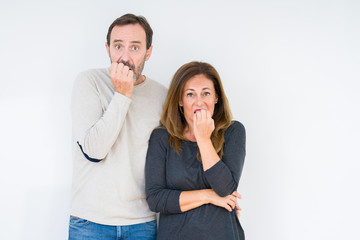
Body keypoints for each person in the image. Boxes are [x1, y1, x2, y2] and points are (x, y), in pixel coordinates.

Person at [69, 14, 167, 239]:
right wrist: (122, 94)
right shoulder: (89, 82)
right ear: (108, 49)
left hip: (141, 223)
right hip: (89, 222)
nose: (125, 56)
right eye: (118, 46)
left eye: (134, 47)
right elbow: (94, 152)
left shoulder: (161, 95)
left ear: (148, 52)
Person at [145, 61, 246, 240]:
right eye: (190, 94)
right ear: (180, 100)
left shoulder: (233, 132)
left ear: (216, 97)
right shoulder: (161, 137)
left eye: (206, 93)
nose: (199, 102)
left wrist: (203, 139)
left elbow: (224, 189)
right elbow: (156, 199)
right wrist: (208, 195)